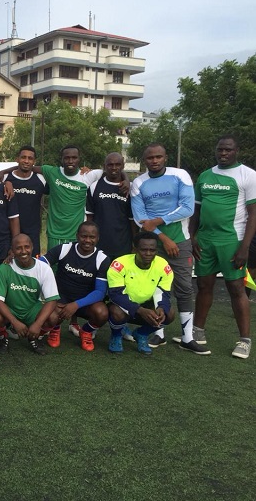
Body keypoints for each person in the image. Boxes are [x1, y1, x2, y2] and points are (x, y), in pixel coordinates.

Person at [130, 143, 208, 353]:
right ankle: (157, 333)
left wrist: (158, 221)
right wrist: (163, 237)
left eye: (158, 157)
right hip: (153, 243)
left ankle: (187, 337)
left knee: (184, 288)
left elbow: (188, 208)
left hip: (180, 240)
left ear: (165, 158)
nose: (154, 161)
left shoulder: (180, 175)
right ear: (144, 160)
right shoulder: (138, 183)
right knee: (155, 287)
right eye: (150, 158)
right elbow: (140, 219)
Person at [190, 135, 256, 359]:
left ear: (237, 151)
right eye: (220, 150)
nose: (223, 153)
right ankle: (197, 332)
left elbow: (254, 214)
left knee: (236, 289)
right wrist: (193, 236)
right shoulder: (206, 176)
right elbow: (197, 210)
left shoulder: (248, 175)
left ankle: (245, 340)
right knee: (204, 285)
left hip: (231, 240)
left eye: (228, 150)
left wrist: (244, 247)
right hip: (205, 240)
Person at [39, 221, 110, 352]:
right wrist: (20, 260)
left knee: (102, 313)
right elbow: (40, 265)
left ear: (98, 238)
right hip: (61, 300)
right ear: (77, 236)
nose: (87, 240)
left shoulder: (102, 258)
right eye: (84, 236)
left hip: (84, 303)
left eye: (92, 237)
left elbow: (100, 292)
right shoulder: (64, 249)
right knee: (50, 316)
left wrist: (76, 304)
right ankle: (55, 328)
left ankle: (86, 332)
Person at [0, 234, 59, 354]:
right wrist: (14, 322)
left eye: (26, 247)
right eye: (18, 248)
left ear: (32, 247)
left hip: (32, 309)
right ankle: (2, 338)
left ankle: (36, 338)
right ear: (12, 250)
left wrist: (38, 324)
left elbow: (52, 300)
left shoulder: (44, 268)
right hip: (10, 309)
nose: (23, 251)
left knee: (53, 317)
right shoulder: (4, 268)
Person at [107, 231, 175, 355]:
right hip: (123, 306)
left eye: (152, 250)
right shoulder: (120, 264)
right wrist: (139, 310)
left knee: (169, 313)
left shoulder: (163, 265)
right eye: (143, 250)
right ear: (135, 250)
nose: (148, 254)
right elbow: (116, 294)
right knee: (116, 312)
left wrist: (161, 307)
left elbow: (163, 292)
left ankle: (141, 334)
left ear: (156, 251)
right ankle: (116, 336)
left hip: (147, 305)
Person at [35, 145, 104, 250]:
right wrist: (3, 173)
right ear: (61, 159)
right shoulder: (52, 172)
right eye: (67, 158)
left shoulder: (87, 176)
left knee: (74, 266)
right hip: (55, 233)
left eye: (74, 157)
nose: (70, 161)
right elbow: (27, 167)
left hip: (77, 235)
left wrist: (125, 179)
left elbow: (113, 171)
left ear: (79, 159)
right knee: (54, 265)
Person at [86, 152, 136, 260]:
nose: (114, 168)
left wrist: (135, 244)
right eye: (110, 165)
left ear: (123, 166)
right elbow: (90, 218)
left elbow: (132, 220)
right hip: (99, 245)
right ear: (104, 166)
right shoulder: (94, 187)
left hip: (123, 245)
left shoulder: (130, 189)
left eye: (118, 164)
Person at [0, 146, 47, 254]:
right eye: (23, 157)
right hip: (8, 233)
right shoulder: (5, 178)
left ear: (34, 161)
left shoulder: (41, 179)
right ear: (17, 159)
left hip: (32, 233)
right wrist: (5, 183)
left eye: (30, 158)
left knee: (32, 266)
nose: (26, 161)